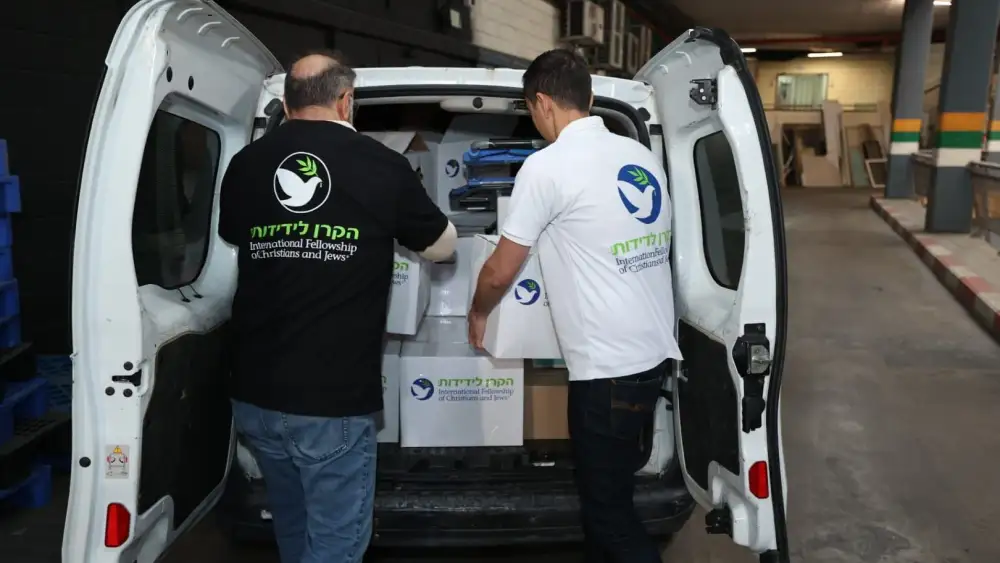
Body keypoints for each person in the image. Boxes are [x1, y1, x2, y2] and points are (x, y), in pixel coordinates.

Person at [218, 50, 456, 563]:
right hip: (330, 400)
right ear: (347, 101)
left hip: (255, 393)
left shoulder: (245, 164)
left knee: (293, 521)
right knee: (335, 545)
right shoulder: (381, 165)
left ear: (286, 105)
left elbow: (233, 234)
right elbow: (443, 246)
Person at [468, 49, 682, 563]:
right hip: (651, 357)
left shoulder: (547, 167)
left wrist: (478, 312)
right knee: (610, 499)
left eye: (530, 111)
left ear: (542, 103)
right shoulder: (638, 156)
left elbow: (500, 270)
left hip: (606, 373)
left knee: (609, 517)